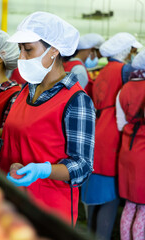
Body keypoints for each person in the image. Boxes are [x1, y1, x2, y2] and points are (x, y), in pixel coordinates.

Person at [0, 12, 95, 225]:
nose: (22, 57)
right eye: (20, 50)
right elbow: (10, 136)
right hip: (9, 199)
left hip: (47, 210)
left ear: (54, 50)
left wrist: (43, 170)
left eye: (28, 50)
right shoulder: (25, 91)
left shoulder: (76, 100)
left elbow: (82, 166)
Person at [81, 32, 142, 240]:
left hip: (97, 132)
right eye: (132, 51)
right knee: (109, 198)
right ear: (125, 52)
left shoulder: (103, 70)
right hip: (112, 136)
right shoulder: (125, 70)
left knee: (95, 198)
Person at [116, 50, 145, 240]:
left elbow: (120, 124)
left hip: (127, 150)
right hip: (143, 154)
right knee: (143, 209)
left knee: (129, 205)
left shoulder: (124, 89)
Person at [63, 33, 105, 99]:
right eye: (98, 55)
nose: (97, 58)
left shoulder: (67, 64)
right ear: (91, 50)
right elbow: (74, 98)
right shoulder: (79, 69)